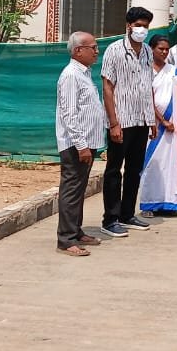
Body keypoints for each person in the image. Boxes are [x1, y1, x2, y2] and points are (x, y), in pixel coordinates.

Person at [100, 6, 157, 237]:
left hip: (141, 120)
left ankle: (127, 214)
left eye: (146, 26)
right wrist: (113, 123)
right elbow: (107, 87)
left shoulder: (147, 51)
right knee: (114, 170)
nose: (142, 30)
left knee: (135, 169)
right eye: (138, 25)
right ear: (129, 26)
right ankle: (110, 219)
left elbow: (148, 86)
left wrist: (151, 119)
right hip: (121, 121)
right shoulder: (114, 50)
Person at [54, 32, 108, 256]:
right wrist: (81, 145)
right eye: (92, 47)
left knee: (79, 190)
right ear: (78, 50)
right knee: (71, 190)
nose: (96, 51)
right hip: (76, 145)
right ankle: (66, 240)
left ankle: (75, 231)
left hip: (87, 142)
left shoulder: (84, 73)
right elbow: (69, 114)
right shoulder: (70, 75)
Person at [138, 35, 177, 218]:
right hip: (152, 126)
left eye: (167, 49)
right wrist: (162, 120)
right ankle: (149, 203)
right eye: (161, 49)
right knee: (151, 164)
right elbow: (146, 98)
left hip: (173, 127)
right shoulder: (144, 71)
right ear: (151, 49)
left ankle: (170, 204)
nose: (165, 52)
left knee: (171, 166)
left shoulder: (175, 72)